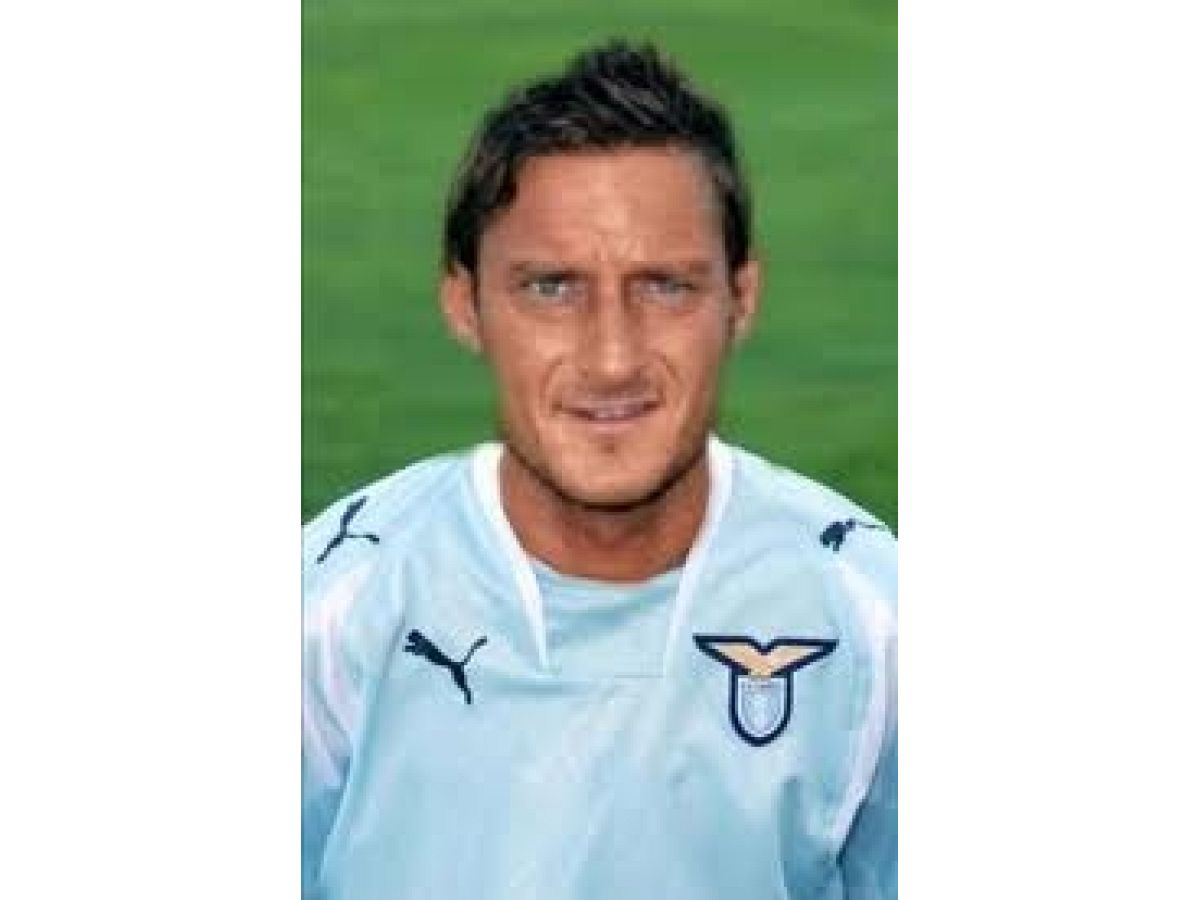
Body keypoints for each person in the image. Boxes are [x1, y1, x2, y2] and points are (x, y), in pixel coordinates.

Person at [302, 40, 896, 900]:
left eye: (666, 286)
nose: (612, 357)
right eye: (551, 287)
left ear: (741, 299)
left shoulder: (877, 620)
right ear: (466, 305)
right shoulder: (326, 612)